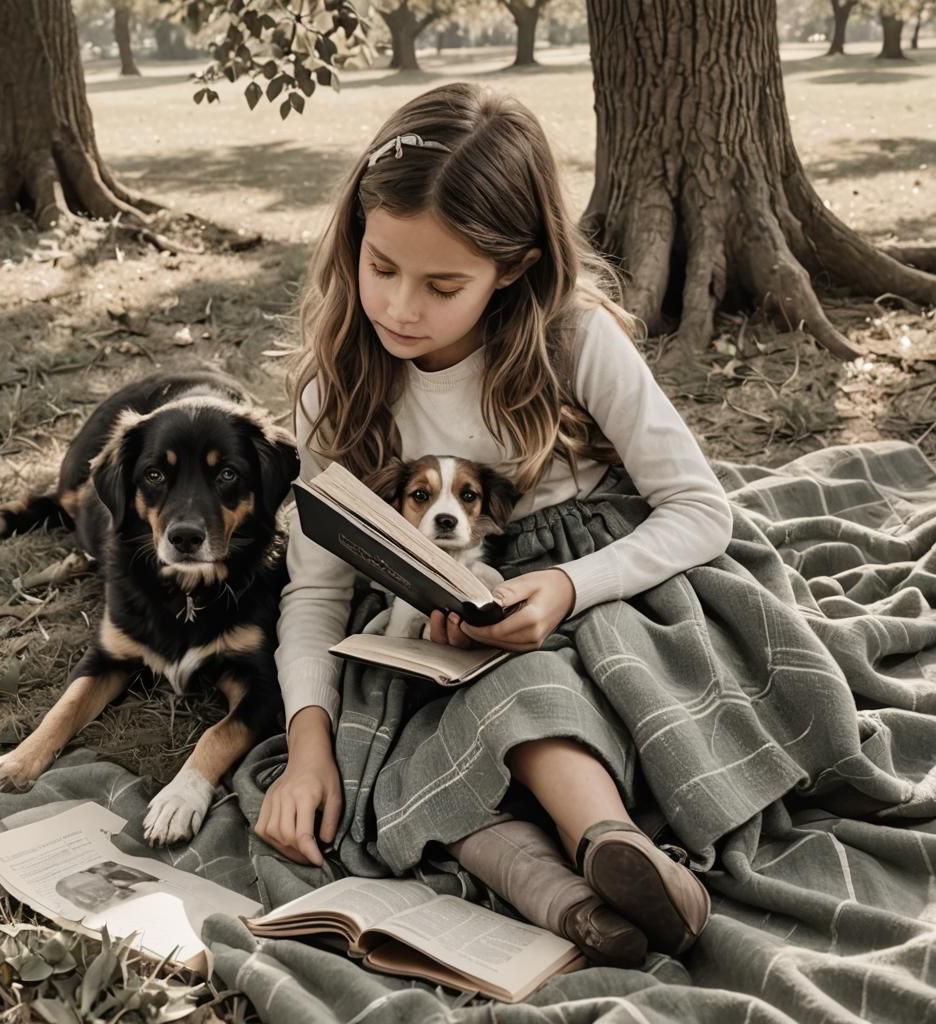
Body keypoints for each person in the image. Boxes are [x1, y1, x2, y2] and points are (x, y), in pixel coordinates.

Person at [253, 81, 733, 960]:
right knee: (399, 744)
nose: (400, 307)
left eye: (442, 285)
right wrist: (307, 746)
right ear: (354, 239)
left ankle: (606, 842)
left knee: (518, 686)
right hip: (424, 626)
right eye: (381, 268)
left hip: (592, 599)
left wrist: (563, 586)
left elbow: (701, 509)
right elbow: (316, 590)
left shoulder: (574, 340)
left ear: (510, 267)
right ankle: (569, 899)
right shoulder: (338, 387)